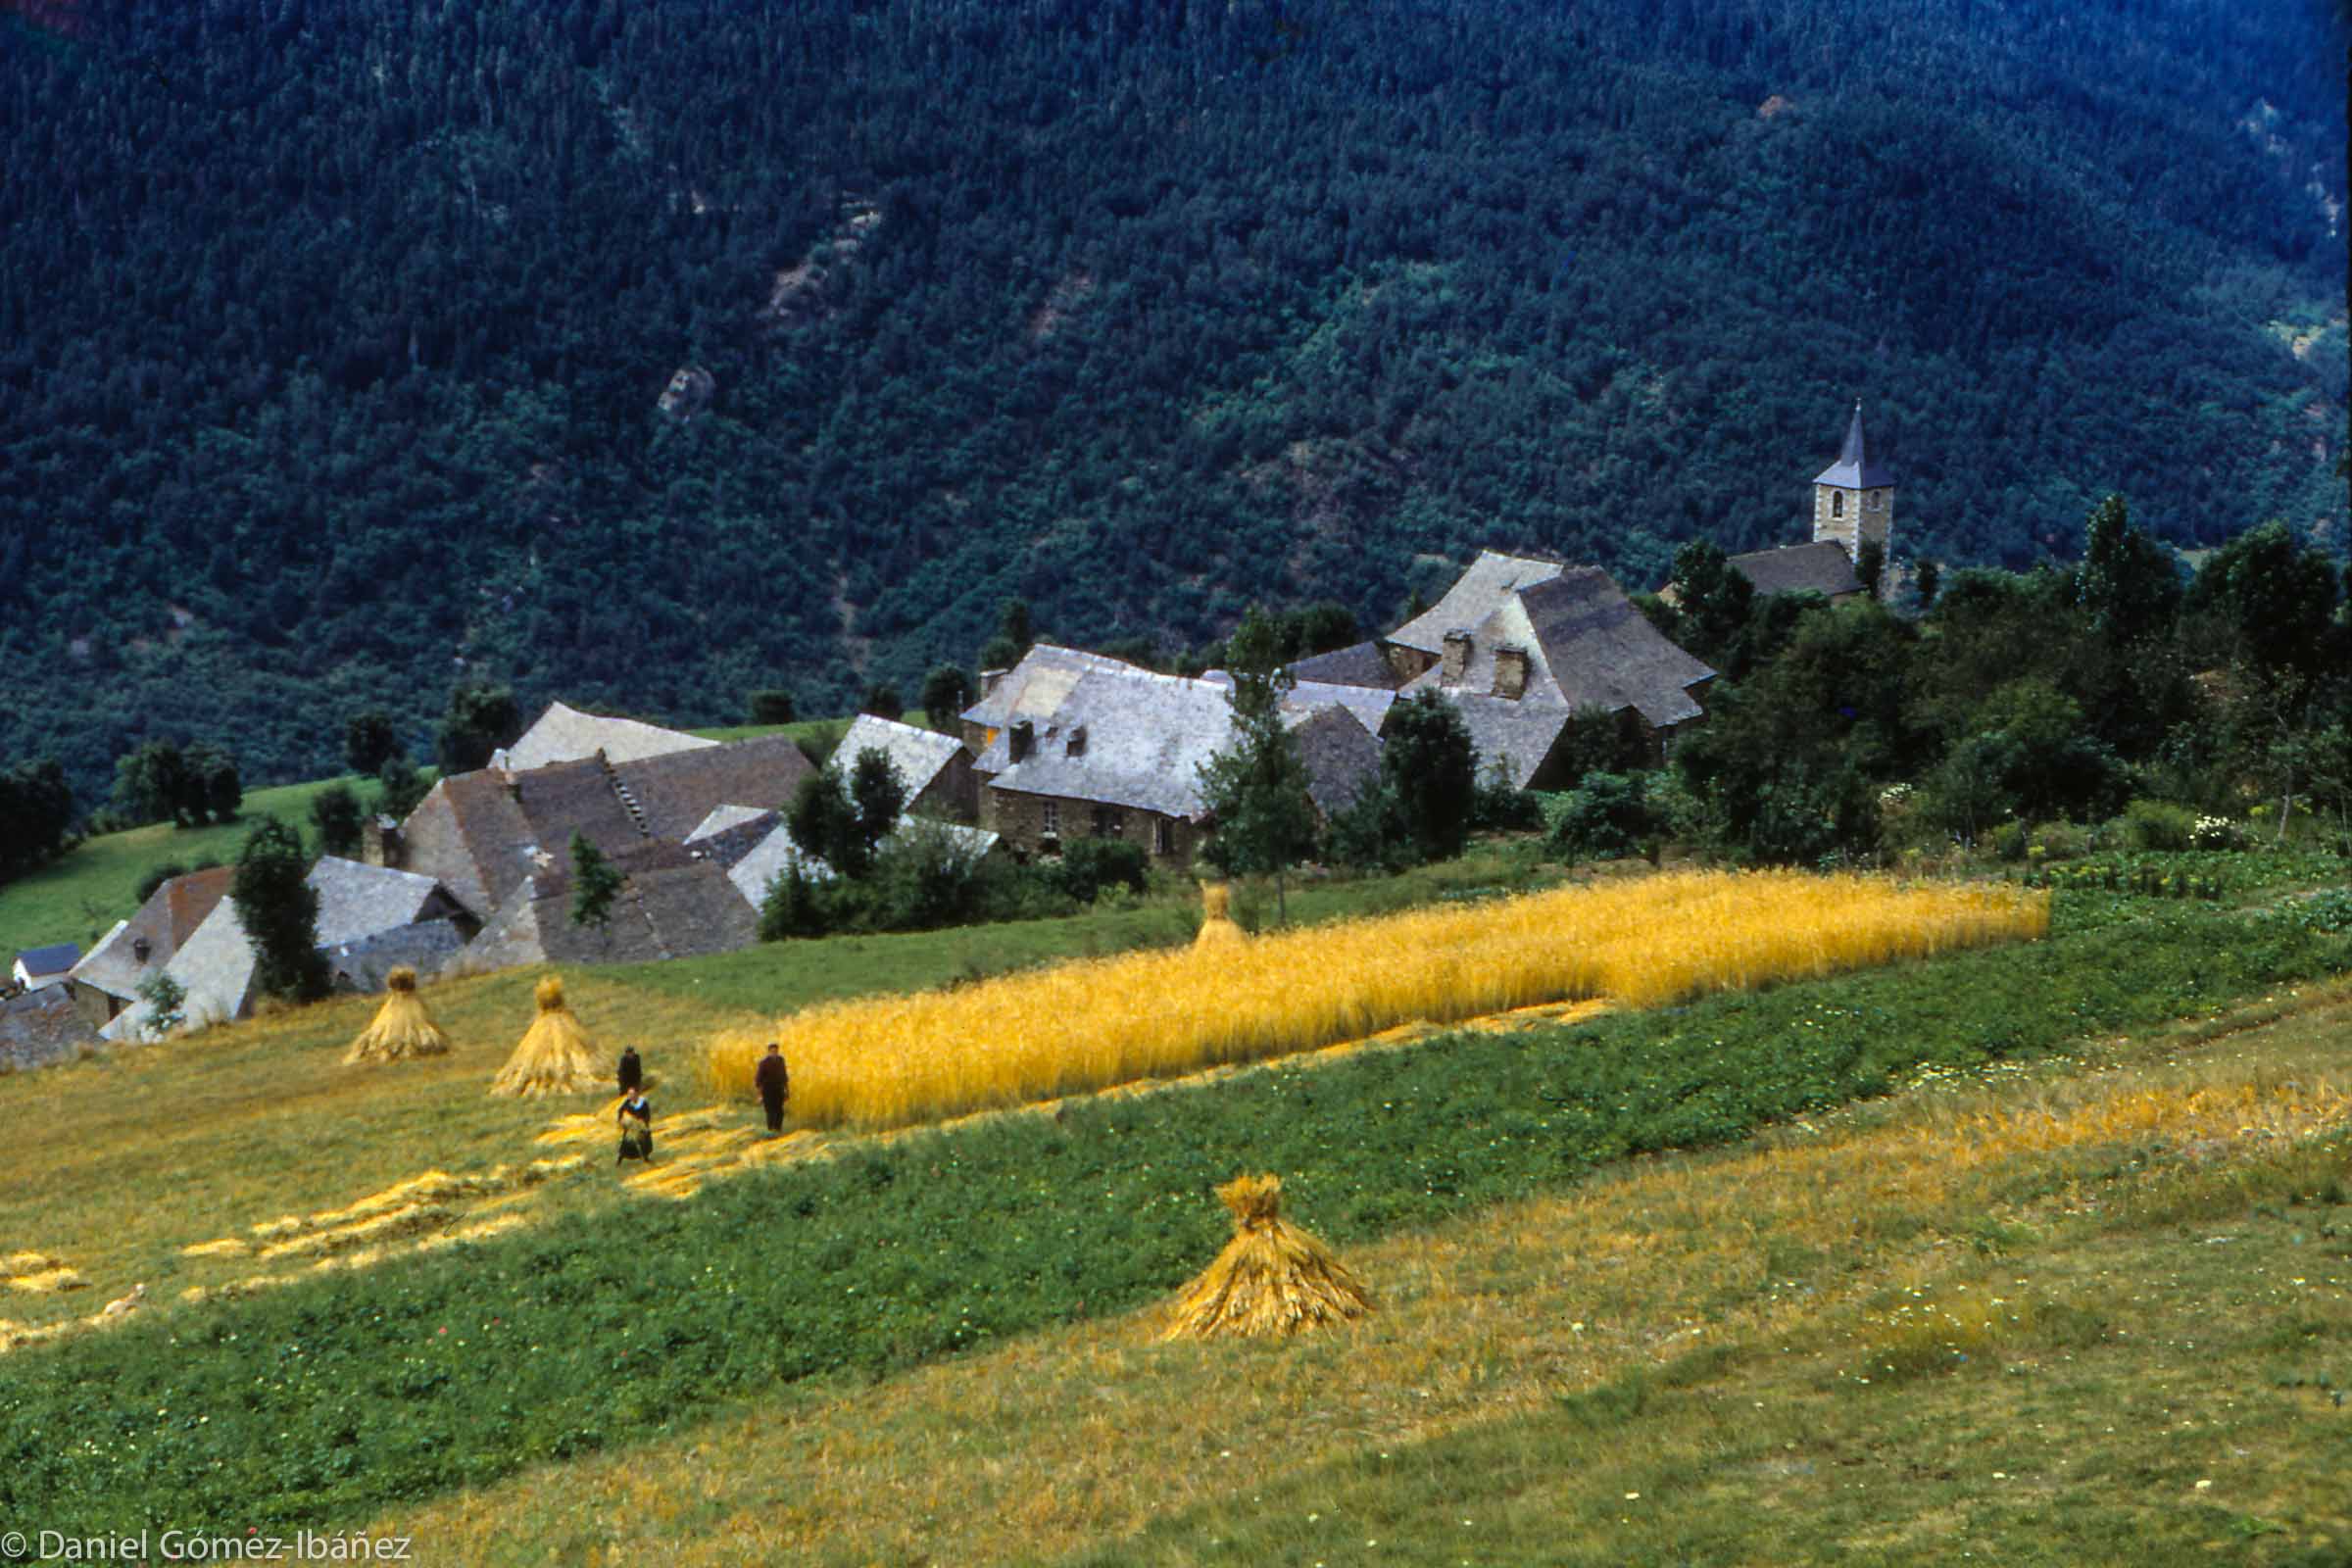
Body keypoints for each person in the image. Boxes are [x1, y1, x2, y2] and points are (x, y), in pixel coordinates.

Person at [754, 1041, 790, 1134]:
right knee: (770, 1111)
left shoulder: (781, 1060)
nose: (774, 1053)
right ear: (768, 1052)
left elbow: (784, 1076)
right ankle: (770, 1130)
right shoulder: (764, 1063)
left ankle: (778, 1129)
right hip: (767, 1090)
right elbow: (758, 1079)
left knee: (780, 1111)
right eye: (772, 1051)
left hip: (778, 1089)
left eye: (776, 1051)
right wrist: (760, 1094)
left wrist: (786, 1090)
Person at [616, 1084, 653, 1164]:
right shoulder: (628, 1102)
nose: (630, 1095)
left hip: (640, 1125)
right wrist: (621, 1120)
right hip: (631, 1126)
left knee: (644, 1141)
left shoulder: (643, 1102)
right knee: (626, 1142)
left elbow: (647, 1114)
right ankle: (620, 1159)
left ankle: (645, 1157)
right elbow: (620, 1110)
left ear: (636, 1094)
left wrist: (644, 1123)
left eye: (632, 1094)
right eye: (629, 1094)